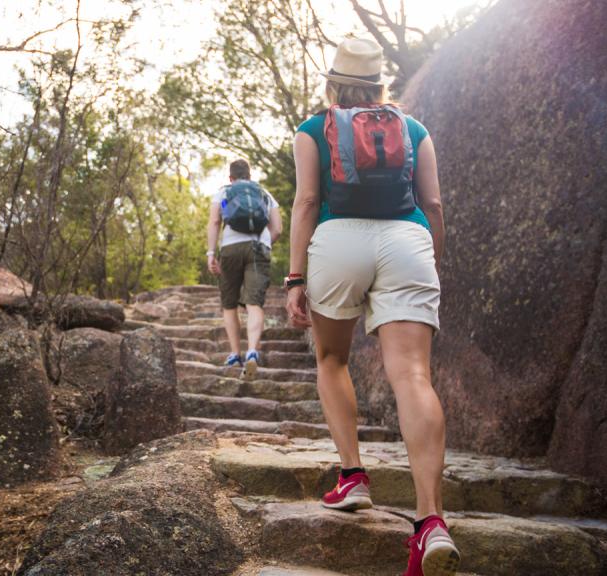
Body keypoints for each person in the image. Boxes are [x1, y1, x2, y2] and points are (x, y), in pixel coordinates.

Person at [284, 38, 458, 576]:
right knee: (412, 375)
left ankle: (353, 476)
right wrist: (431, 257)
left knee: (332, 360)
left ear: (332, 83)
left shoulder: (314, 129)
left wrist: (295, 277)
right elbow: (432, 204)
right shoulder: (415, 130)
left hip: (338, 240)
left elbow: (307, 201)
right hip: (407, 240)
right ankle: (431, 523)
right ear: (381, 85)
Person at [207, 159, 282, 379]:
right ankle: (252, 352)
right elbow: (277, 228)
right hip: (258, 248)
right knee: (254, 302)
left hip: (230, 248)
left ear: (231, 177)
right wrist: (266, 243)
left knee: (229, 303)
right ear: (249, 175)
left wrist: (211, 253)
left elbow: (214, 222)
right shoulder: (265, 194)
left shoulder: (223, 192)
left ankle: (234, 354)